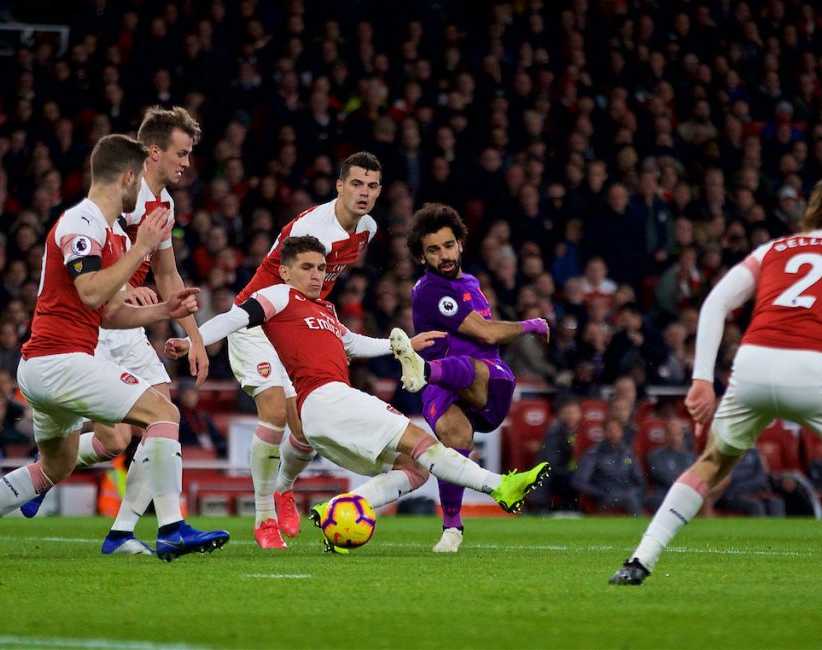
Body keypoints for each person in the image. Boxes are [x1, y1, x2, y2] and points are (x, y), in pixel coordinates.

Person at [611, 166, 822, 589]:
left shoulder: (773, 248)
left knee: (712, 463)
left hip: (752, 363)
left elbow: (715, 304)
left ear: (808, 219)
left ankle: (638, 561)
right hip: (814, 368)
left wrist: (702, 378)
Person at [0, 134, 228, 561]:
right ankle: (172, 529)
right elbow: (90, 292)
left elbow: (107, 313)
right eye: (136, 181)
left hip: (47, 368)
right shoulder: (81, 223)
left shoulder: (109, 234)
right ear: (128, 178)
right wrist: (142, 248)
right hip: (62, 362)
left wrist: (164, 310)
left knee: (55, 466)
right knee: (165, 413)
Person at [166, 235, 550, 552]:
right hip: (326, 398)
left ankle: (339, 509)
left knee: (414, 469)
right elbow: (236, 316)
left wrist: (405, 345)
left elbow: (353, 344)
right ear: (284, 271)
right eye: (306, 267)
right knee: (422, 443)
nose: (316, 275)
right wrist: (192, 340)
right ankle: (500, 485)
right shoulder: (279, 296)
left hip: (324, 418)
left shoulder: (326, 310)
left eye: (320, 268)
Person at [18, 106, 210, 557]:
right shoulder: (125, 193)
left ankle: (120, 529)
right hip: (101, 323)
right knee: (128, 433)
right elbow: (95, 255)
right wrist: (125, 287)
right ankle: (55, 472)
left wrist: (196, 335)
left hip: (130, 326)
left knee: (142, 425)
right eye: (181, 154)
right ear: (154, 152)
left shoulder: (165, 203)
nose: (186, 163)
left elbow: (166, 273)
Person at [225, 152, 384, 549]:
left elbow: (321, 286)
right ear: (339, 186)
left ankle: (284, 490)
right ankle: (263, 518)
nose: (363, 193)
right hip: (260, 319)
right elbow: (277, 277)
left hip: (301, 324)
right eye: (356, 184)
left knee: (308, 426)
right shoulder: (314, 229)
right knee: (276, 410)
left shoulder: (368, 229)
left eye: (372, 186)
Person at [389, 203, 549, 552]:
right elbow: (489, 332)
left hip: (488, 382)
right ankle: (451, 529)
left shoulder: (469, 283)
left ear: (460, 243)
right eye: (433, 249)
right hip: (441, 386)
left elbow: (487, 337)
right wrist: (530, 324)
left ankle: (424, 369)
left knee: (471, 365)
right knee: (454, 438)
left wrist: (528, 325)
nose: (443, 255)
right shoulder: (430, 290)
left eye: (448, 245)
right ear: (421, 257)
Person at [572, 418, 647, 515]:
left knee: (649, 499)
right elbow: (579, 482)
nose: (613, 433)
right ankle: (643, 526)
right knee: (631, 500)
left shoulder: (628, 453)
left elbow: (640, 481)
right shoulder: (594, 453)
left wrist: (634, 492)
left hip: (628, 493)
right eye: (610, 430)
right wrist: (601, 493)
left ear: (622, 432)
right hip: (606, 496)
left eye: (616, 430)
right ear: (604, 432)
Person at [644, 417, 696, 512]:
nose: (674, 438)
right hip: (664, 493)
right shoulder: (655, 455)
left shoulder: (691, 456)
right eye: (671, 434)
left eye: (678, 434)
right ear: (665, 435)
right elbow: (663, 477)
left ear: (682, 435)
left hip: (686, 493)